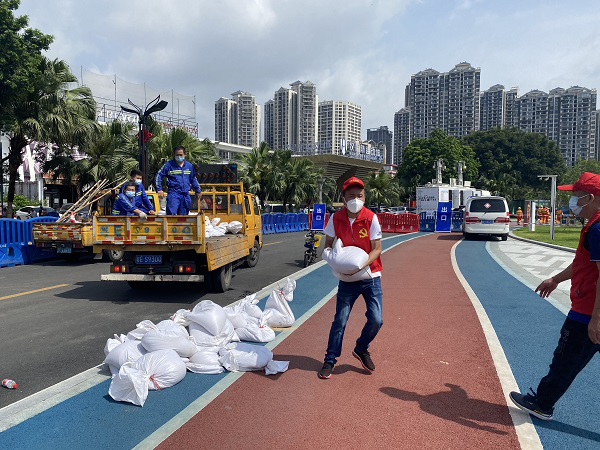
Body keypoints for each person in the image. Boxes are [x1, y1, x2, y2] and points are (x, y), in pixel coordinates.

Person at [510, 172, 600, 421]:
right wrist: (555, 279)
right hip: (591, 310)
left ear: (590, 198)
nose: (572, 202)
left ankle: (541, 404)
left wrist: (595, 318)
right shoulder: (594, 226)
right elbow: (585, 264)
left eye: (576, 197)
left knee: (564, 361)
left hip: (587, 315)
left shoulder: (598, 228)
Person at [318, 176, 383, 379]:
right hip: (347, 279)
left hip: (370, 276)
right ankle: (330, 360)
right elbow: (328, 244)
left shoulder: (371, 217)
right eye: (352, 195)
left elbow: (377, 249)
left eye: (360, 195)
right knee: (340, 320)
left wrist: (360, 265)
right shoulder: (336, 218)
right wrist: (333, 259)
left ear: (364, 196)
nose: (356, 198)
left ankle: (361, 348)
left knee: (376, 319)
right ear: (344, 198)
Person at [154, 146, 201, 215]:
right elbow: (158, 176)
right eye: (177, 155)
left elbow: (193, 178)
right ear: (174, 155)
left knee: (184, 217)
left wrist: (198, 190)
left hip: (185, 194)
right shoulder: (169, 165)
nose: (179, 156)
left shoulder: (189, 166)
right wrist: (159, 189)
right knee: (171, 215)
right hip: (174, 194)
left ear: (185, 154)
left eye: (181, 155)